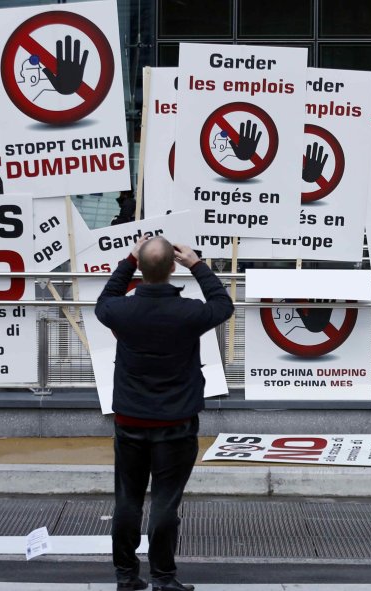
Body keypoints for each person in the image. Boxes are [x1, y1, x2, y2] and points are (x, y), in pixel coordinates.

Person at [95, 236, 234, 591]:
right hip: (176, 423)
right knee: (165, 503)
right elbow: (222, 304)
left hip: (129, 421)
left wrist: (128, 260)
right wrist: (198, 265)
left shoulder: (120, 311)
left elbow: (105, 299)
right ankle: (163, 578)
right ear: (173, 268)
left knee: (127, 500)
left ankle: (126, 576)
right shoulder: (189, 312)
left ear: (140, 268)